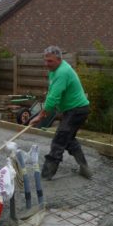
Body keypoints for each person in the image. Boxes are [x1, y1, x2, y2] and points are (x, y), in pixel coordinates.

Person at [29, 45, 92, 180]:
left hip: (77, 110)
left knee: (59, 139)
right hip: (73, 109)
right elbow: (53, 92)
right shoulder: (55, 70)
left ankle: (46, 175)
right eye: (45, 60)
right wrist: (49, 103)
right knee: (68, 140)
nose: (46, 64)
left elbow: (52, 99)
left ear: (59, 59)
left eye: (50, 61)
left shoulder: (62, 72)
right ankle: (85, 168)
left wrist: (40, 116)